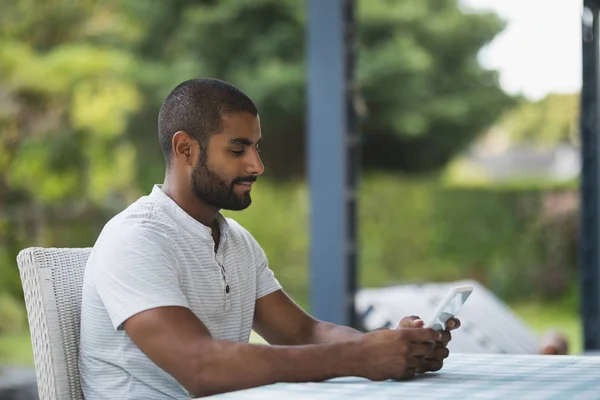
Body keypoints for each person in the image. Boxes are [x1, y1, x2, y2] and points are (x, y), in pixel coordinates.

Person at [78, 78, 461, 399]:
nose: (256, 165)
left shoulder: (235, 240)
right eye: (237, 149)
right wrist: (360, 357)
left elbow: (303, 332)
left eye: (256, 147)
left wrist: (392, 345)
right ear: (185, 149)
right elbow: (200, 367)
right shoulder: (136, 239)